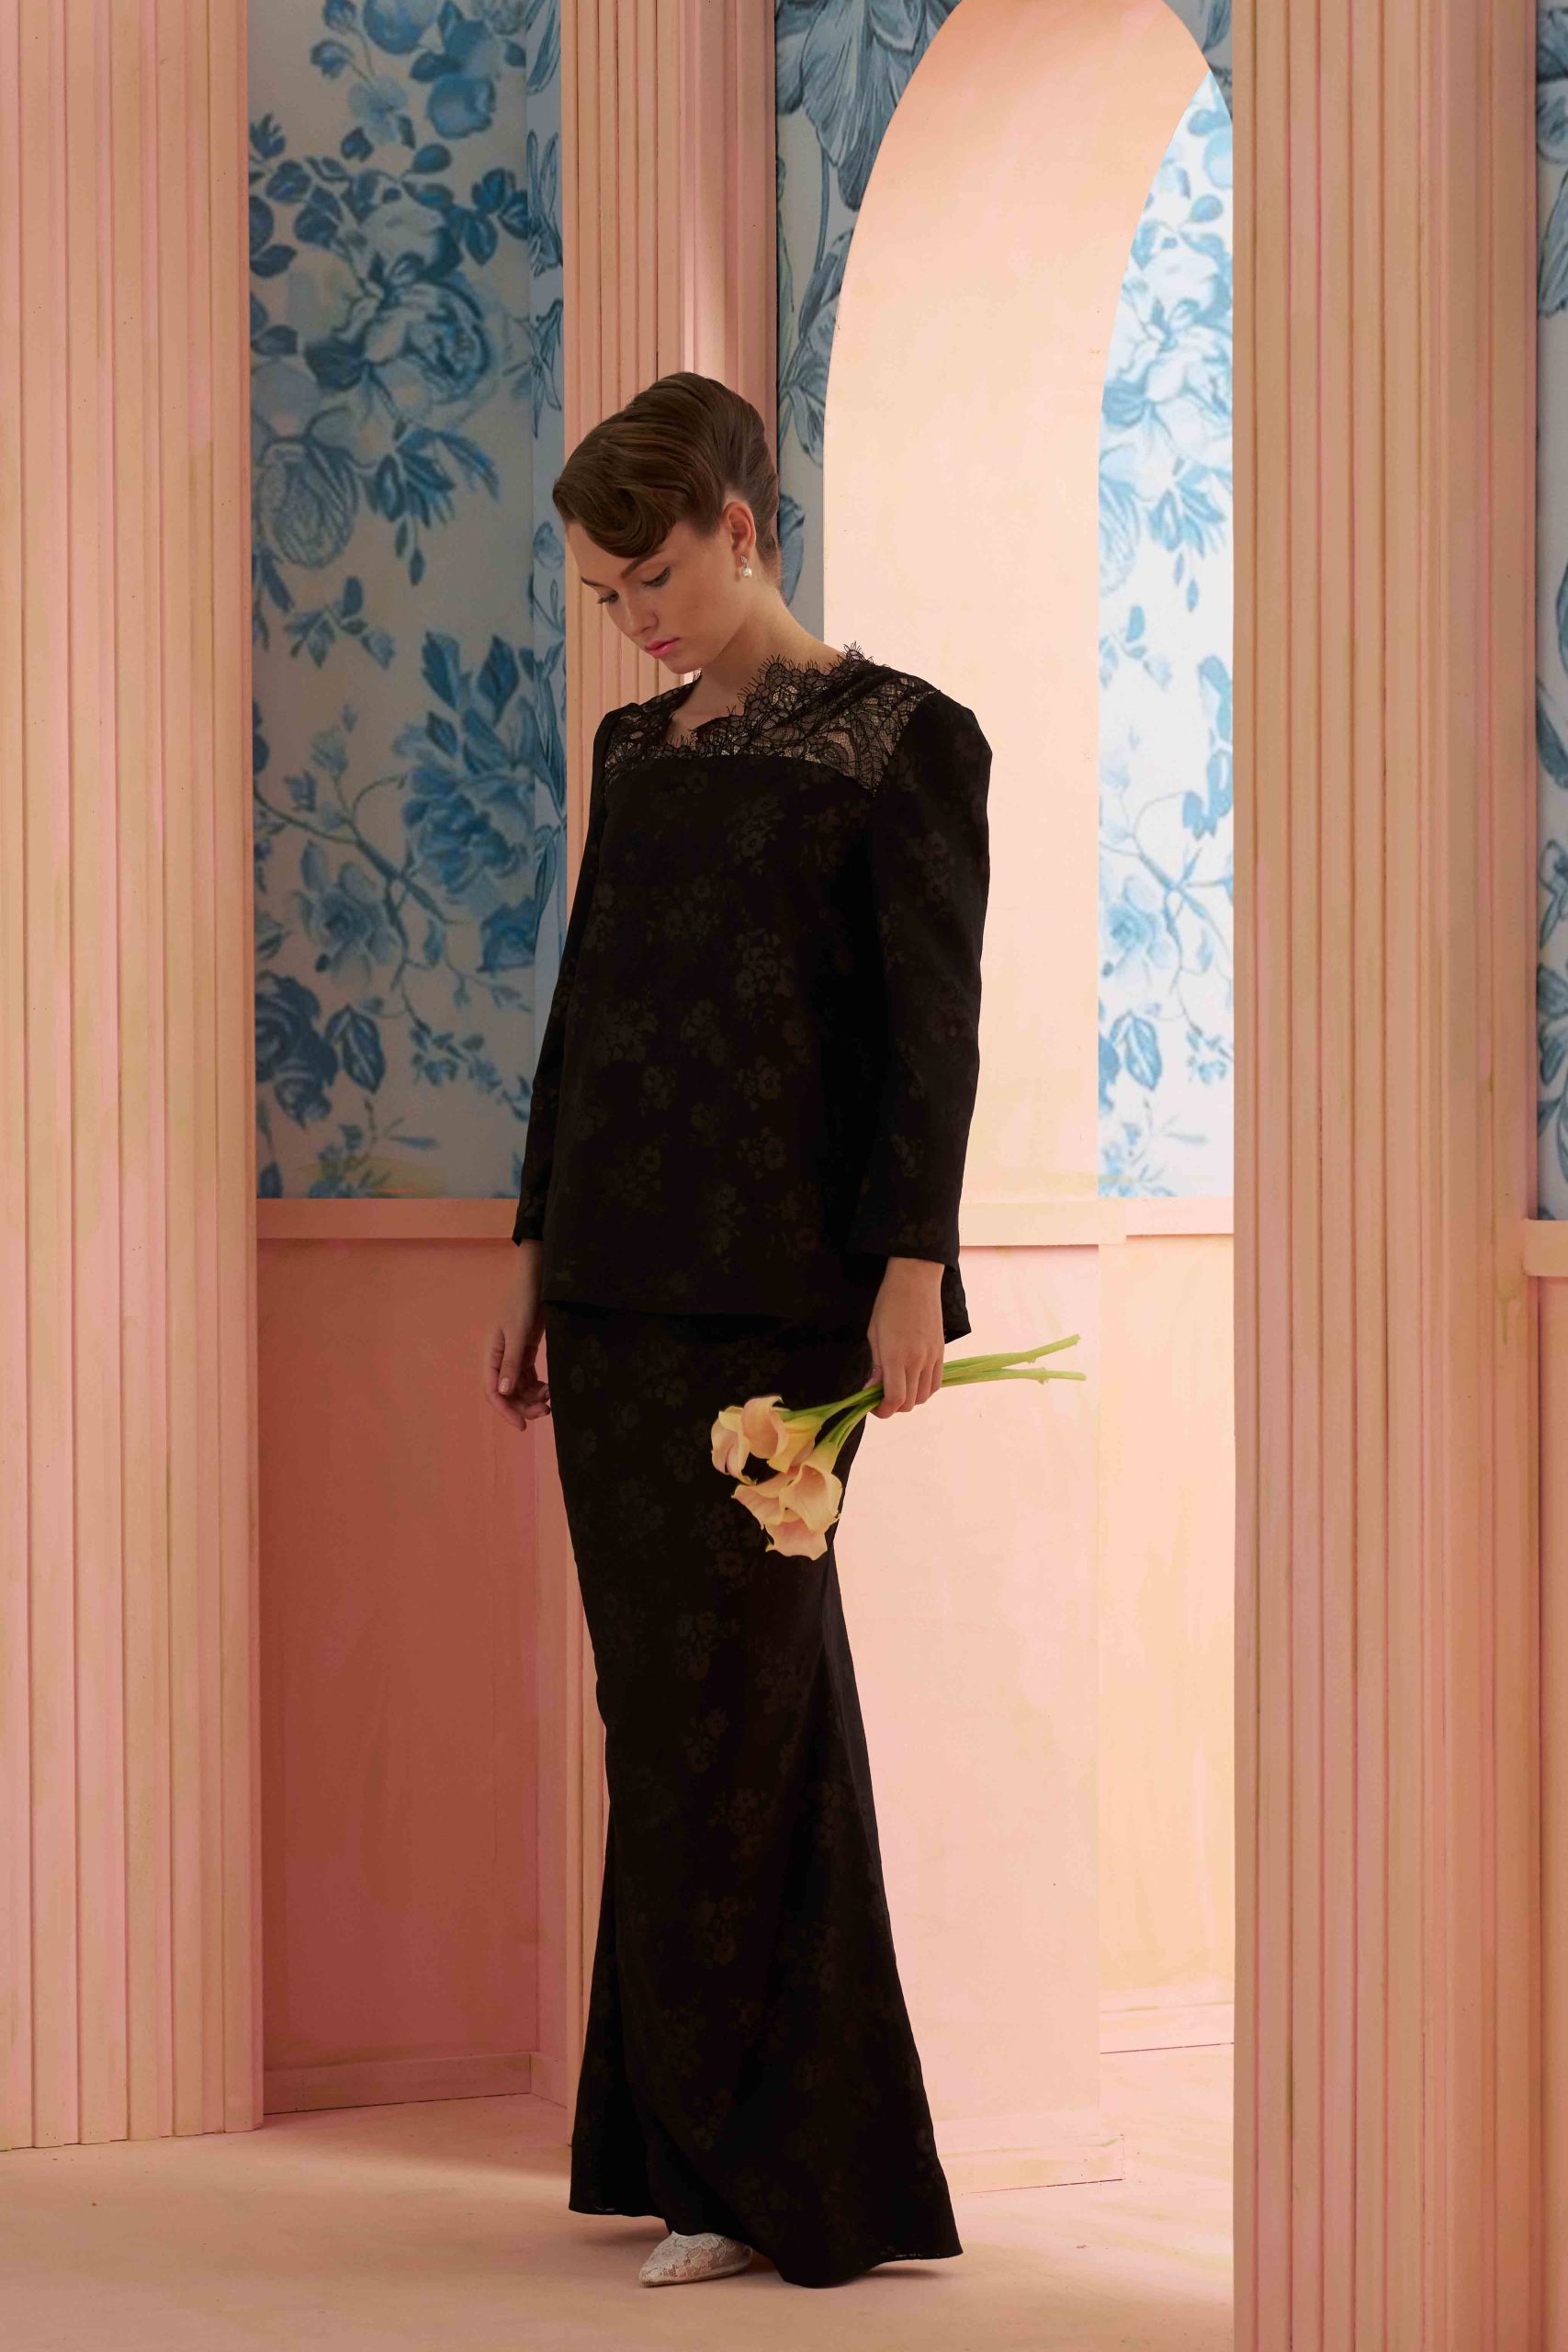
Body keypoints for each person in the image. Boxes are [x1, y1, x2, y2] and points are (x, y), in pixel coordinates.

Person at [483, 370, 992, 2291]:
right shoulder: (635, 751)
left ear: (741, 528)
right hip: (615, 1295)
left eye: (657, 576)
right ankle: (733, 2154)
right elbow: (586, 1020)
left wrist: (910, 1266)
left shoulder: (905, 740)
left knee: (741, 1711)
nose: (636, 618)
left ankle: (748, 2169)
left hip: (784, 1308)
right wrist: (530, 1252)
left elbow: (931, 1036)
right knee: (669, 1715)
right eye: (608, 593)